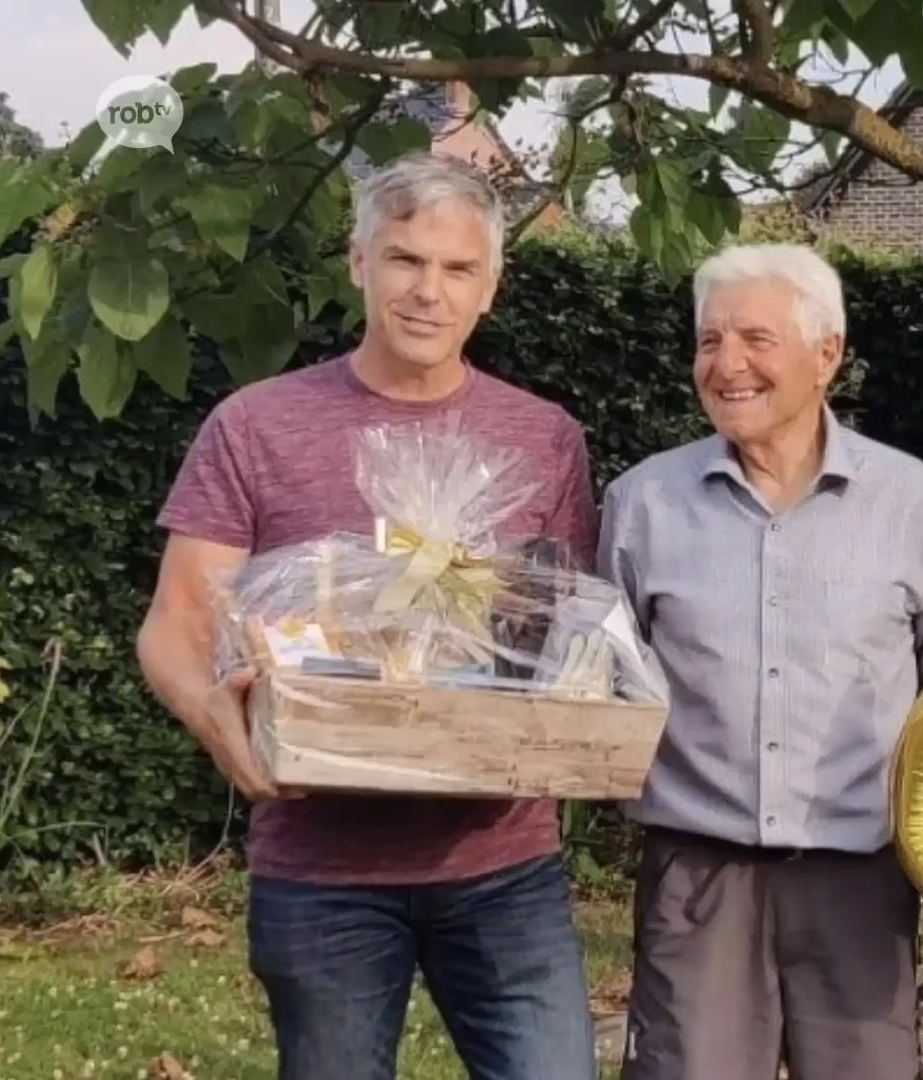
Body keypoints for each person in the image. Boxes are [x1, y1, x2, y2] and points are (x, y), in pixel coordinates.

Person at [138, 152, 599, 1080]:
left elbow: (566, 633)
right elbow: (176, 621)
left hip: (504, 863)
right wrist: (225, 731)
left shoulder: (544, 438)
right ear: (358, 263)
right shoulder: (256, 425)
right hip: (321, 872)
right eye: (405, 260)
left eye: (458, 268)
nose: (429, 291)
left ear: (491, 288)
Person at [598, 243, 923, 1080]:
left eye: (756, 339)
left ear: (827, 353)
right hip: (698, 879)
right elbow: (609, 695)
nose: (727, 364)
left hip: (862, 883)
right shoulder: (639, 507)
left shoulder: (920, 506)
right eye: (708, 340)